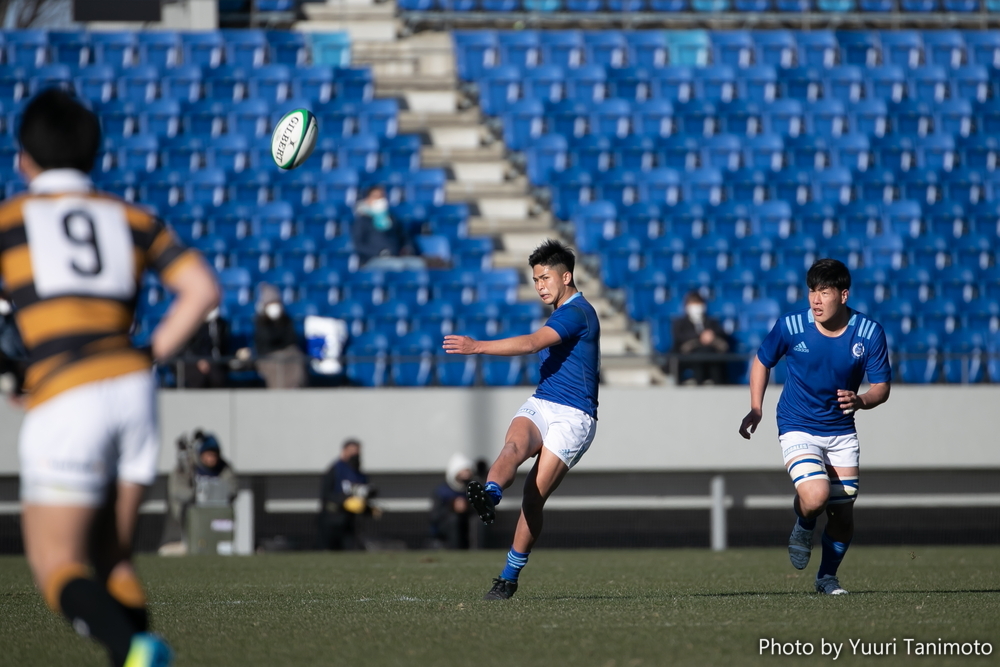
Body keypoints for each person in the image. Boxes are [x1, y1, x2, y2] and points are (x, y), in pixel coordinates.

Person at [0, 89, 219, 666]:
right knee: (115, 559)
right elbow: (202, 291)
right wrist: (149, 355)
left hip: (65, 390)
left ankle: (134, 649)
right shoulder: (133, 218)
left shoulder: (10, 220)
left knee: (56, 564)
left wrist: (9, 376)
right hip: (133, 387)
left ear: (23, 157)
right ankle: (135, 653)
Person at [443, 239, 600, 600]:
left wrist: (476, 346)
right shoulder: (563, 309)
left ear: (567, 276)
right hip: (544, 401)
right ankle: (491, 493)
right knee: (513, 445)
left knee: (533, 496)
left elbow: (532, 343)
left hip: (574, 417)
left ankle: (509, 577)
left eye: (545, 278)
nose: (540, 286)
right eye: (535, 280)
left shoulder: (578, 312)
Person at [738, 258, 891, 596]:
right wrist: (755, 408)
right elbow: (762, 361)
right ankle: (804, 524)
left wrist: (862, 400)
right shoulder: (791, 326)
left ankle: (826, 578)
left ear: (844, 295)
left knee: (842, 513)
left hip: (841, 432)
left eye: (824, 291)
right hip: (797, 424)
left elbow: (881, 387)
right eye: (812, 291)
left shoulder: (868, 333)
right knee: (816, 495)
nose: (816, 300)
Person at [317, 439, 377, 551]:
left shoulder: (359, 473)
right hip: (332, 520)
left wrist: (368, 509)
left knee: (350, 550)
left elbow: (363, 495)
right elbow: (326, 494)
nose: (355, 454)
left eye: (357, 451)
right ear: (344, 451)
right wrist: (343, 501)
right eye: (351, 451)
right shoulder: (335, 469)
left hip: (350, 521)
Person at [351, 185, 425, 271]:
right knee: (397, 265)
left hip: (396, 257)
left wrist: (407, 248)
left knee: (418, 264)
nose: (379, 199)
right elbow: (358, 244)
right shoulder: (362, 220)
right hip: (372, 260)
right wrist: (379, 252)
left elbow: (404, 236)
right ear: (368, 199)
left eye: (382, 196)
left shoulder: (392, 218)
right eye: (376, 197)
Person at [251, 283, 305, 388]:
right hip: (267, 356)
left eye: (276, 302)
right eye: (271, 303)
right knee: (277, 364)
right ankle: (279, 394)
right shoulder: (260, 322)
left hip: (287, 353)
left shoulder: (286, 319)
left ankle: (296, 388)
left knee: (296, 357)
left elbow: (291, 339)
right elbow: (266, 340)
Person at [671, 291, 731, 385]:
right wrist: (700, 336)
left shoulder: (711, 322)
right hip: (689, 355)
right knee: (698, 355)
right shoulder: (679, 323)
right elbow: (679, 336)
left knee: (713, 357)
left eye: (698, 304)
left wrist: (711, 335)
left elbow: (722, 333)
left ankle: (718, 385)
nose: (696, 308)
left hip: (710, 353)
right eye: (693, 304)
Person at [428, 453, 475, 550]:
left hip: (468, 525)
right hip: (447, 528)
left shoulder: (473, 490)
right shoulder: (442, 491)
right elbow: (435, 516)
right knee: (454, 519)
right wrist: (452, 506)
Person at [179, 306, 229, 388]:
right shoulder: (194, 324)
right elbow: (191, 346)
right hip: (192, 360)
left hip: (211, 361)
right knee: (198, 378)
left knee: (217, 377)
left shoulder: (220, 324)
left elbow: (220, 346)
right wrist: (199, 359)